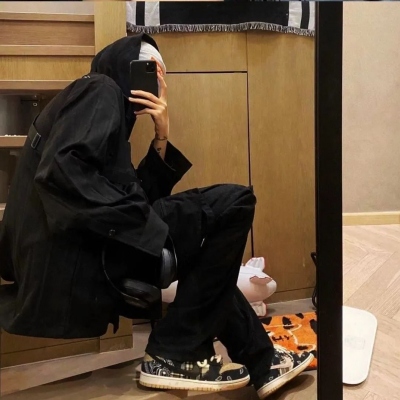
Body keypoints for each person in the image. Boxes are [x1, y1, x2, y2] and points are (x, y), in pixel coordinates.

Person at [0, 34, 313, 398]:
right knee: (236, 202)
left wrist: (161, 135)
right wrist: (147, 230)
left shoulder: (103, 115)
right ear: (124, 66)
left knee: (211, 265)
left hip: (92, 245)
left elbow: (136, 195)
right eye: (150, 69)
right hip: (82, 252)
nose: (159, 81)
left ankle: (264, 360)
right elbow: (61, 173)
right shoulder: (99, 89)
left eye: (163, 73)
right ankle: (174, 350)